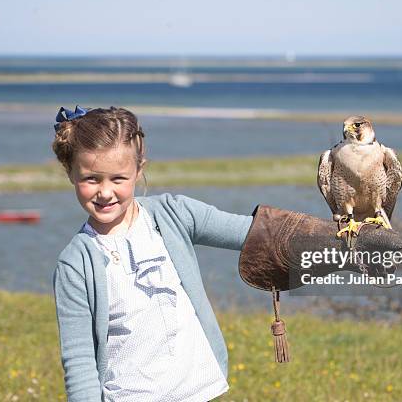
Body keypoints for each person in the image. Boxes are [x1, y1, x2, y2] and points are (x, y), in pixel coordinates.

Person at [51, 106, 253, 401]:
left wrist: (332, 236)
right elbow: (79, 362)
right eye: (91, 179)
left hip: (199, 392)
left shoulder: (174, 213)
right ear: (70, 173)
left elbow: (253, 233)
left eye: (118, 179)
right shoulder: (75, 264)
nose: (105, 192)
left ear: (138, 170)